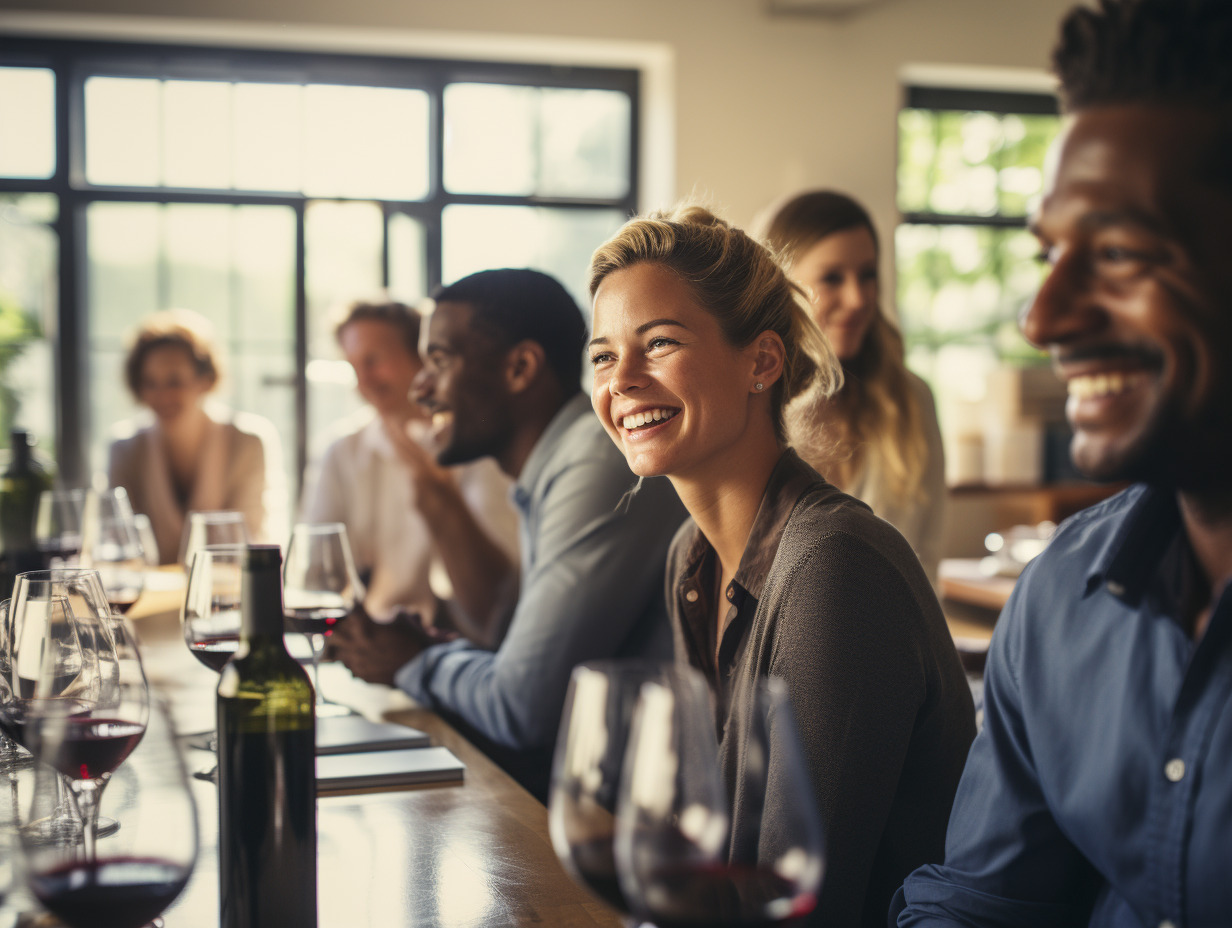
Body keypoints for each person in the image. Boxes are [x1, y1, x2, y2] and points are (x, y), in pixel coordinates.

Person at [892, 1, 1232, 925]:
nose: (1043, 321)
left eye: (1119, 252)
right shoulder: (1062, 597)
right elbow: (978, 903)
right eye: (1048, 253)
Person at [588, 206, 975, 928]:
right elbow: (708, 842)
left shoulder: (836, 569)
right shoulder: (691, 559)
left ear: (762, 362)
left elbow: (794, 906)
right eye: (604, 356)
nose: (624, 381)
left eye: (659, 343)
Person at [330, 269, 686, 798]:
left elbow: (520, 708)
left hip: (636, 821)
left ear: (520, 368)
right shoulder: (549, 469)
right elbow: (510, 640)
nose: (419, 387)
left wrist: (414, 660)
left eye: (440, 362)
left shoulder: (597, 466)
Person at [760, 191, 946, 582]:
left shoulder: (912, 400)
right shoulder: (755, 409)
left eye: (868, 274)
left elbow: (927, 562)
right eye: (832, 278)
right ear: (784, 288)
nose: (858, 298)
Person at [303, 298, 518, 630]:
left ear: (423, 358)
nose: (364, 381)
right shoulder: (341, 453)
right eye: (353, 366)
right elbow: (317, 572)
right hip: (373, 639)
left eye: (373, 361)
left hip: (468, 642)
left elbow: (505, 585)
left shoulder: (480, 451)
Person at [107, 309, 283, 564]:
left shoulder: (248, 441)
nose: (163, 395)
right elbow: (117, 542)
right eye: (150, 382)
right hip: (149, 600)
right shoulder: (124, 449)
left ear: (205, 379)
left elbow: (250, 538)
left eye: (174, 381)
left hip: (229, 594)